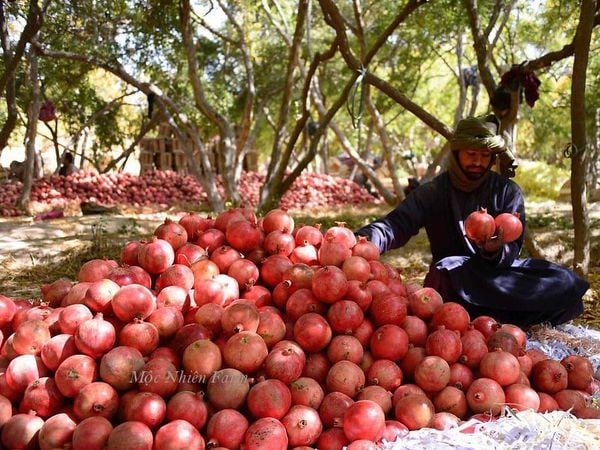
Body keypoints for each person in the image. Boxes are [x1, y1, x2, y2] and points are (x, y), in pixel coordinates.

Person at [355, 115, 588, 328]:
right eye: (471, 154)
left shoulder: (507, 192)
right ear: (456, 154)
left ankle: (489, 316)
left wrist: (496, 250)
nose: (477, 162)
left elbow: (512, 250)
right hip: (455, 281)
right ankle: (499, 316)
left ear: (492, 158)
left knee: (564, 281)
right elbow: (395, 225)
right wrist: (361, 242)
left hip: (496, 278)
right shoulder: (433, 191)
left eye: (484, 156)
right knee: (446, 269)